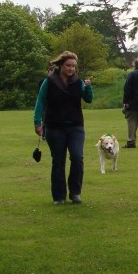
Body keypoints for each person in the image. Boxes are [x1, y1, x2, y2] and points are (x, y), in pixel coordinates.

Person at [33, 51, 94, 205]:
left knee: (77, 157)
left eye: (74, 66)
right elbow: (40, 101)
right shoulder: (49, 81)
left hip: (76, 126)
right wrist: (37, 122)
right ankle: (59, 196)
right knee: (58, 161)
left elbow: (88, 99)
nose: (71, 69)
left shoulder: (78, 81)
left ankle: (75, 193)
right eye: (68, 65)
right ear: (61, 65)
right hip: (55, 126)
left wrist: (88, 87)